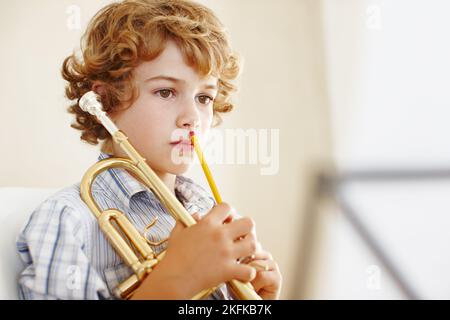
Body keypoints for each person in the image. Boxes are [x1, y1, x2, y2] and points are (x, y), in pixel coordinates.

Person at [16, 0, 282, 300]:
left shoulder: (205, 210)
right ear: (105, 102)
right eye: (166, 91)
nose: (192, 117)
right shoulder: (68, 219)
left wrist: (255, 300)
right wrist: (178, 279)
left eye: (204, 97)